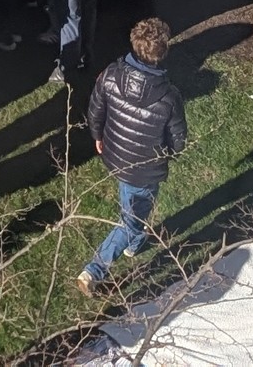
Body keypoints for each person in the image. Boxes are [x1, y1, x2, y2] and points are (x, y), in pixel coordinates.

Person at [79, 16, 187, 293]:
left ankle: (136, 243)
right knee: (132, 219)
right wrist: (170, 153)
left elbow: (96, 110)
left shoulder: (110, 75)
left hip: (116, 156)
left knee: (135, 205)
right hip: (145, 167)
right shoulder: (169, 96)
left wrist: (98, 136)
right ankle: (95, 270)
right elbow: (178, 139)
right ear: (163, 52)